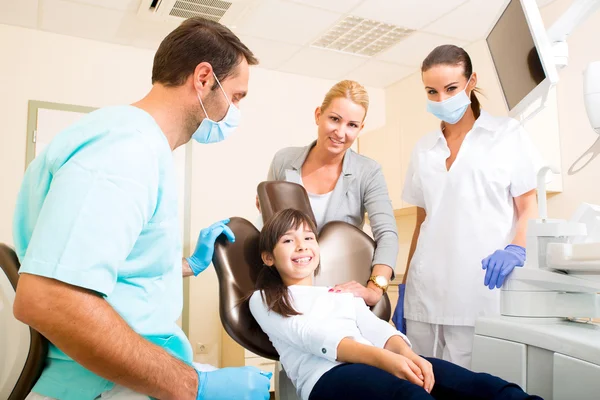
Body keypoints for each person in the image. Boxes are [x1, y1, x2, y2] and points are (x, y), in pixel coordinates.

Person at [13, 18, 271, 400]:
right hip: (99, 385)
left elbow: (111, 270)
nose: (234, 111)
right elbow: (49, 297)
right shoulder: (126, 151)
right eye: (235, 96)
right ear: (203, 79)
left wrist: (187, 264)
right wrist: (192, 385)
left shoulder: (136, 145)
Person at [249, 208, 542, 400]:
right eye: (288, 240)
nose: (302, 246)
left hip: (377, 359)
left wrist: (406, 354)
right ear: (268, 257)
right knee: (411, 395)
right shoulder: (264, 299)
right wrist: (387, 361)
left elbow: (374, 328)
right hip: (327, 377)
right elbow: (317, 339)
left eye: (308, 237)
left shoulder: (336, 294)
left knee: (484, 388)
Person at [393, 45, 540, 369]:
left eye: (451, 89)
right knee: (418, 386)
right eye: (432, 91)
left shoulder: (506, 134)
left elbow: (528, 206)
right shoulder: (424, 149)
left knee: (470, 388)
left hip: (477, 293)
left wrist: (517, 248)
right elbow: (422, 220)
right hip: (424, 295)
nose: (442, 99)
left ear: (471, 82)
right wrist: (405, 286)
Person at [260, 80, 398, 308]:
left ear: (360, 129)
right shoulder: (284, 161)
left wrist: (375, 289)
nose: (341, 132)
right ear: (318, 115)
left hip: (338, 292)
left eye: (352, 125)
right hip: (287, 293)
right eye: (334, 119)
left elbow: (387, 234)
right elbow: (271, 228)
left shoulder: (368, 172)